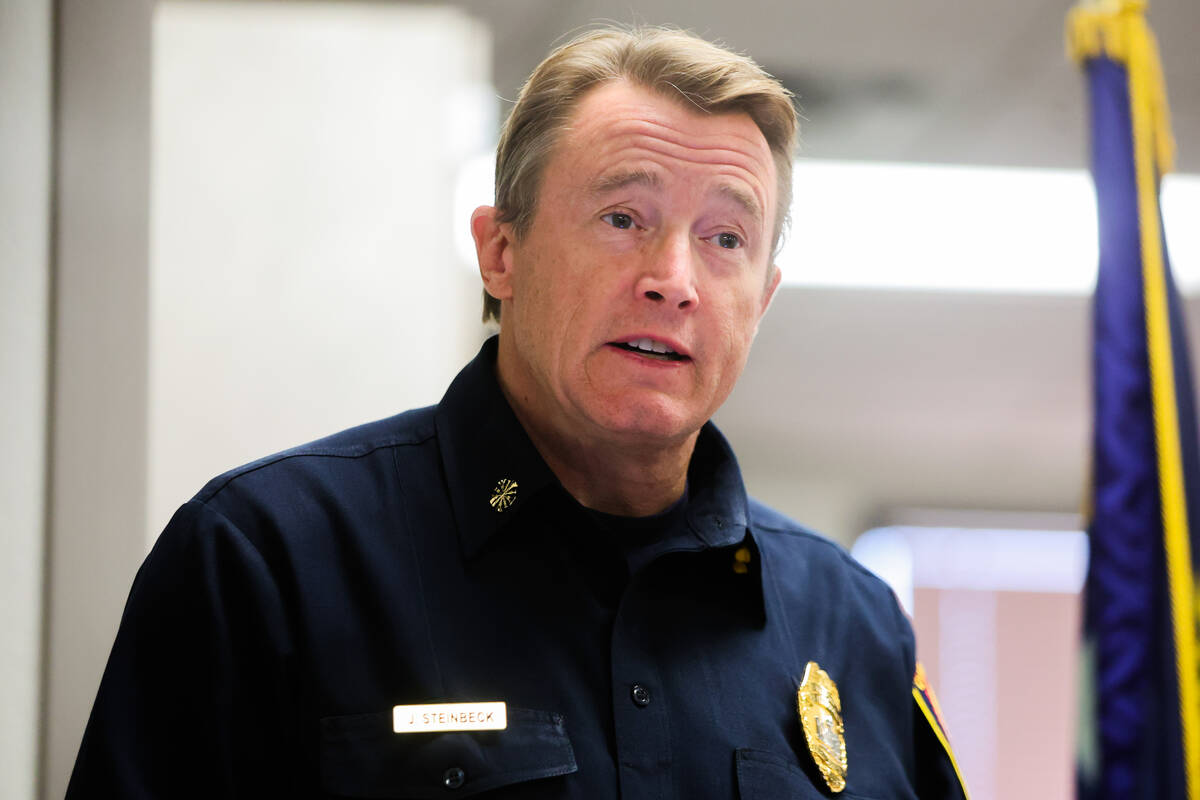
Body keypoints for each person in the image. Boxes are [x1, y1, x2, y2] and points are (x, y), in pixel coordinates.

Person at [67, 26, 968, 799]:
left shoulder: (853, 626)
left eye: (725, 238)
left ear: (762, 299)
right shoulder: (267, 561)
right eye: (623, 217)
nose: (675, 280)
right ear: (501, 252)